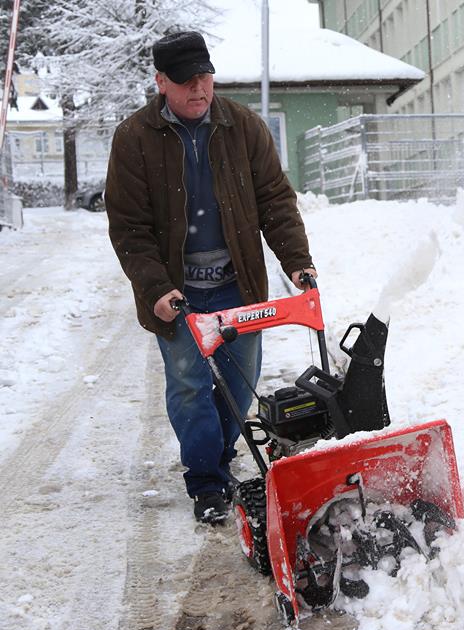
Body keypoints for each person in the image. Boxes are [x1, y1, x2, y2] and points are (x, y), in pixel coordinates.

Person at [105, 31, 316, 525]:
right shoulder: (135, 138)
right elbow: (129, 227)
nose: (199, 89)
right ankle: (205, 481)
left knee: (239, 385)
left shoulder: (242, 126)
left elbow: (276, 202)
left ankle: (217, 457)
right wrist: (156, 288)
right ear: (161, 82)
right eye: (185, 81)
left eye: (205, 77)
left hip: (237, 283)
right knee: (188, 385)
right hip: (179, 291)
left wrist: (297, 261)